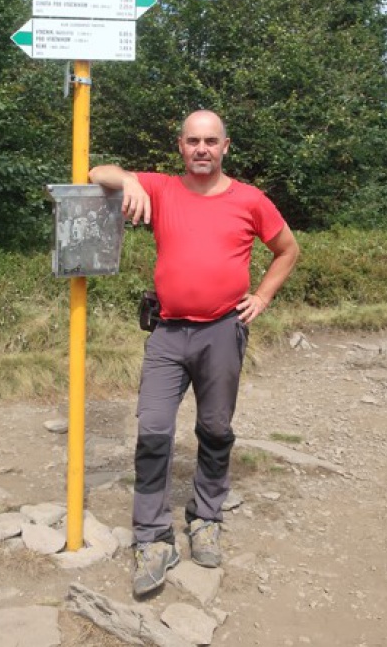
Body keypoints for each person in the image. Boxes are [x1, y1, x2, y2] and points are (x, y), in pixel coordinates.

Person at [89, 110, 299, 598]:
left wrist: (263, 296)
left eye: (210, 141)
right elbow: (97, 172)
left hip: (223, 331)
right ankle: (152, 538)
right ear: (181, 146)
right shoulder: (162, 189)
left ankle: (206, 518)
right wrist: (130, 182)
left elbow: (287, 249)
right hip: (167, 332)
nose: (201, 148)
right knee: (153, 430)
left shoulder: (250, 199)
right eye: (192, 141)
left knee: (216, 429)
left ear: (225, 146)